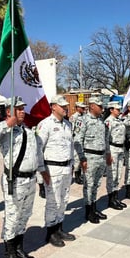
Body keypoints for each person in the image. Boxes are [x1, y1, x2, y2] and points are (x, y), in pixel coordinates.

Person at [0, 96, 40, 258]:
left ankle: (19, 249)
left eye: (23, 108)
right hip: (14, 180)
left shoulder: (28, 131)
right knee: (12, 217)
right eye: (19, 109)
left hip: (30, 179)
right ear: (9, 111)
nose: (23, 111)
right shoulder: (5, 131)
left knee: (24, 215)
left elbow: (37, 154)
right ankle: (9, 254)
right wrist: (7, 123)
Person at [36, 95, 76, 247]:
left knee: (64, 199)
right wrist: (42, 171)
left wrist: (72, 165)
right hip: (52, 168)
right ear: (53, 106)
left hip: (66, 167)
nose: (65, 108)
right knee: (53, 202)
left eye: (66, 105)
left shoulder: (68, 125)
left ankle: (59, 228)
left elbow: (70, 147)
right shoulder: (45, 125)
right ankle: (50, 233)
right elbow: (38, 149)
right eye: (61, 105)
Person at [74, 96, 111, 224]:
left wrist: (107, 154)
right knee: (89, 186)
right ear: (92, 106)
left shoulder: (101, 121)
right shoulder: (83, 120)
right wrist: (82, 158)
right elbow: (77, 140)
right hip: (89, 157)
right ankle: (88, 211)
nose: (102, 108)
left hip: (100, 157)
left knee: (96, 185)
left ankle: (94, 208)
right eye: (100, 106)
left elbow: (105, 139)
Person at [104, 101, 127, 210]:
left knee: (118, 175)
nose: (119, 111)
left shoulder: (119, 120)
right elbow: (106, 140)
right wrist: (108, 154)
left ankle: (115, 197)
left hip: (120, 148)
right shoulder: (108, 121)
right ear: (111, 110)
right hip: (112, 149)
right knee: (112, 175)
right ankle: (110, 200)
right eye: (117, 109)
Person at [69, 102, 87, 185]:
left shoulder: (85, 116)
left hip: (83, 140)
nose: (83, 109)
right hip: (76, 141)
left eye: (84, 108)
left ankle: (80, 175)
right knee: (76, 159)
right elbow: (71, 129)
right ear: (77, 108)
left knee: (82, 158)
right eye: (82, 108)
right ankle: (77, 176)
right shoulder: (74, 117)